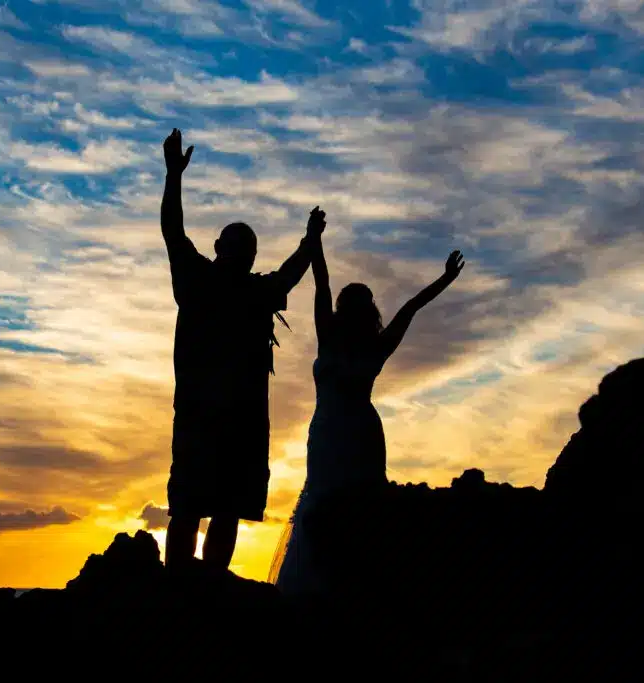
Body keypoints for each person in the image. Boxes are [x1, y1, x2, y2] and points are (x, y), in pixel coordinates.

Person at [160, 128, 326, 571]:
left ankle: (202, 586)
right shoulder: (201, 280)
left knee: (222, 508)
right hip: (203, 415)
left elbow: (291, 272)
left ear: (251, 255)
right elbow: (173, 232)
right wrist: (173, 175)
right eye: (234, 245)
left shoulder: (250, 290)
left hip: (238, 420)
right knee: (192, 507)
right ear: (219, 248)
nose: (240, 252)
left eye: (246, 247)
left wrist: (311, 240)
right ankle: (179, 585)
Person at [269, 223, 465, 594]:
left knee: (339, 504)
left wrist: (317, 240)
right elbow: (409, 306)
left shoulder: (342, 339)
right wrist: (445, 278)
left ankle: (332, 588)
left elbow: (328, 285)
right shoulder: (363, 343)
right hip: (337, 434)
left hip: (342, 433)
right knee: (332, 502)